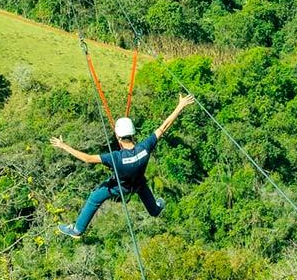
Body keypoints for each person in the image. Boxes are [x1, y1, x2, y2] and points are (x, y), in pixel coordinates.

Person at [50, 94, 195, 239]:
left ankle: (77, 230)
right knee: (148, 198)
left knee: (95, 198)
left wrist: (64, 146)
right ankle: (155, 210)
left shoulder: (115, 158)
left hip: (118, 187)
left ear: (118, 137)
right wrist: (180, 105)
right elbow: (163, 127)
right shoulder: (145, 148)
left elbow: (87, 159)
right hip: (138, 184)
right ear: (133, 135)